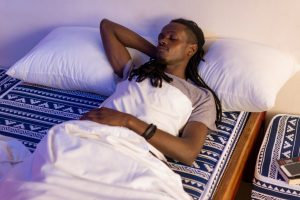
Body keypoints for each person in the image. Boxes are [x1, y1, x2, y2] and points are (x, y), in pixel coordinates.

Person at [80, 18, 222, 165]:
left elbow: (188, 153)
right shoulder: (135, 72)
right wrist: (159, 54)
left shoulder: (201, 96)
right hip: (89, 134)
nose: (162, 41)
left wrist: (127, 120)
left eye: (172, 38)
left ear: (191, 50)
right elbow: (107, 26)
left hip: (135, 153)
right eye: (161, 37)